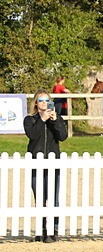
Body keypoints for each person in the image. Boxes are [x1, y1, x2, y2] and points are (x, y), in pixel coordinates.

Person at [25, 91, 69, 242]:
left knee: (54, 198)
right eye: (41, 100)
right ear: (36, 103)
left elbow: (63, 136)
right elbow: (33, 135)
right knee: (40, 198)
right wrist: (42, 120)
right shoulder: (30, 120)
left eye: (47, 100)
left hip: (53, 163)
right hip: (36, 163)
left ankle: (53, 230)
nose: (44, 103)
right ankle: (41, 229)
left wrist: (55, 120)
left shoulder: (57, 119)